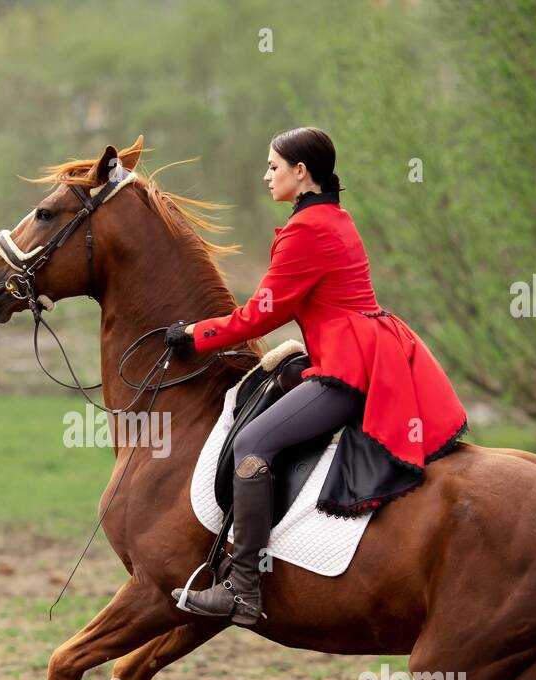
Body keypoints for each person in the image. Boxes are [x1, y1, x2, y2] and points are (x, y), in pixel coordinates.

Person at [165, 127, 468, 626]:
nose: (266, 176)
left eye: (272, 167)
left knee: (254, 443)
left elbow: (260, 315)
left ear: (300, 171)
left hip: (348, 368)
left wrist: (194, 334)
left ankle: (242, 590)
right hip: (359, 353)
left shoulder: (308, 231)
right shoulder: (330, 217)